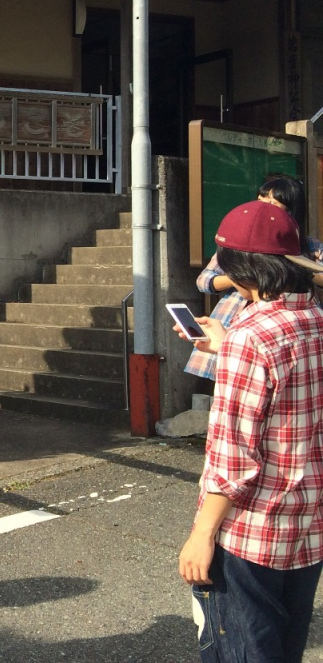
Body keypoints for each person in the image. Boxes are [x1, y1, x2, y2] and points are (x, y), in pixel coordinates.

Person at [177, 199, 323, 663]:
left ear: (243, 269)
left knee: (242, 651)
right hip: (307, 524)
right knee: (284, 646)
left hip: (251, 531)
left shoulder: (251, 337)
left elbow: (233, 456)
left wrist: (201, 534)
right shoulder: (315, 319)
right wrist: (225, 345)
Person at [186, 174, 323, 380]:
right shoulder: (241, 241)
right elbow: (204, 281)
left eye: (274, 203)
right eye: (261, 201)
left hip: (283, 327)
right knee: (232, 375)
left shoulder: (309, 246)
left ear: (292, 211)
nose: (265, 207)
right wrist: (244, 273)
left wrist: (294, 265)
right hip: (236, 319)